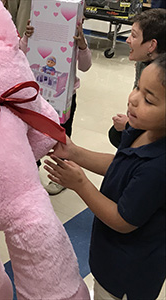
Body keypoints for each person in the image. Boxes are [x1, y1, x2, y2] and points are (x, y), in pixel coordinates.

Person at [44, 54, 166, 300]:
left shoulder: (158, 167)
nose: (133, 99)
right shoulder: (142, 130)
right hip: (109, 253)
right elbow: (121, 164)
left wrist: (80, 184)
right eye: (137, 88)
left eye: (148, 100)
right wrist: (75, 152)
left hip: (128, 272)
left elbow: (123, 220)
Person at [44, 19, 92, 195]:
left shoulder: (75, 37)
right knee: (33, 132)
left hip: (66, 95)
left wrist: (82, 46)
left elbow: (85, 66)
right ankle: (32, 169)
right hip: (40, 92)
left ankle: (60, 175)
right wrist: (28, 37)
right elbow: (25, 51)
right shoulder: (40, 29)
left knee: (63, 135)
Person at [108, 8, 166, 148]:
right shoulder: (143, 62)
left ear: (152, 45)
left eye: (134, 36)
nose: (127, 40)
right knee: (115, 134)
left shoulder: (160, 77)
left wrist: (129, 125)